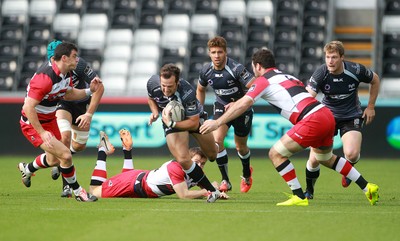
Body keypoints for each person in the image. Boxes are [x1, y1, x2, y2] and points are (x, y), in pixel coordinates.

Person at [200, 48, 379, 206]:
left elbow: (245, 103)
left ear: (257, 66)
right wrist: (237, 103)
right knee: (325, 158)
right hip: (326, 114)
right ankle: (367, 187)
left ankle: (299, 196)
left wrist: (217, 122)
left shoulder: (263, 80)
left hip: (312, 119)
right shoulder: (286, 76)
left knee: (275, 154)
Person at [18, 42, 102, 202]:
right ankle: (78, 192)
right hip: (33, 123)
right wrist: (42, 132)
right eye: (74, 56)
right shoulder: (45, 78)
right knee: (66, 155)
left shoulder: (66, 74)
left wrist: (89, 90)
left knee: (53, 160)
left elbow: (69, 94)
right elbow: (28, 107)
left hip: (49, 120)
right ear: (64, 58)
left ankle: (27, 168)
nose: (77, 60)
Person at [304, 40, 380, 197]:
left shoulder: (355, 69)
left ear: (342, 57)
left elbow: (375, 79)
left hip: (351, 116)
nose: (330, 61)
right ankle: (309, 191)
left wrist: (371, 106)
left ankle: (348, 171)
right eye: (327, 57)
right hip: (327, 117)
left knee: (351, 154)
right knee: (314, 159)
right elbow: (308, 97)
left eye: (334, 57)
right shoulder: (321, 72)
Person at [147, 63, 220, 202]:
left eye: (170, 86)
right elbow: (151, 98)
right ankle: (212, 190)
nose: (165, 89)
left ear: (177, 82)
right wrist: (155, 112)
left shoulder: (187, 92)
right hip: (172, 121)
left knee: (212, 155)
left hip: (192, 119)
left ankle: (217, 143)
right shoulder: (152, 83)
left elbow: (193, 122)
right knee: (183, 159)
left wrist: (172, 123)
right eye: (163, 85)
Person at [89, 129, 229, 200]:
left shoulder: (196, 171)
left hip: (139, 183)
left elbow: (208, 186)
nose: (199, 166)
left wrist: (216, 190)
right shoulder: (176, 167)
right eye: (196, 162)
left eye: (202, 163)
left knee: (122, 179)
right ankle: (102, 150)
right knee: (94, 192)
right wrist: (208, 191)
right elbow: (184, 195)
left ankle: (127, 150)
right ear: (187, 158)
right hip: (134, 183)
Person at [46, 40, 105, 198]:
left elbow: (100, 87)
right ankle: (67, 186)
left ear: (63, 57)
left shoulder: (79, 65)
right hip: (63, 103)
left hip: (81, 104)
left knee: (79, 146)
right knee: (65, 137)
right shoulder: (47, 71)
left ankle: (40, 166)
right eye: (51, 59)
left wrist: (89, 114)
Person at [196, 36, 255, 193]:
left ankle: (246, 175)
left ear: (226, 52)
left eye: (220, 52)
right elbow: (200, 89)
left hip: (242, 110)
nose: (217, 56)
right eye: (213, 52)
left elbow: (255, 87)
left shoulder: (235, 68)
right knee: (217, 140)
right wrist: (198, 111)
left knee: (240, 147)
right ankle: (226, 180)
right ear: (209, 53)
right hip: (221, 108)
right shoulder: (206, 71)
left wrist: (238, 103)